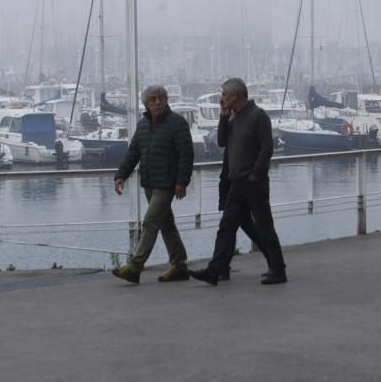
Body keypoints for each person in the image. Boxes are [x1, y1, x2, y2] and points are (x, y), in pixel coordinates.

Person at [190, 78, 287, 285]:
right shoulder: (234, 118)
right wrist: (224, 116)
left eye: (224, 94)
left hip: (253, 183)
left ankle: (278, 269)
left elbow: (266, 149)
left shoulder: (258, 116)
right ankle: (215, 270)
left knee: (264, 226)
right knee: (226, 227)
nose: (221, 98)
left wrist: (255, 175)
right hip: (236, 183)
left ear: (236, 95)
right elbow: (222, 141)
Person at [110, 85, 194, 284]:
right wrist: (121, 175)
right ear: (146, 104)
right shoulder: (143, 125)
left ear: (166, 100)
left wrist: (182, 182)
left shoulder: (177, 123)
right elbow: (133, 152)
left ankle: (134, 267)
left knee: (150, 222)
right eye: (153, 99)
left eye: (161, 98)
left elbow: (186, 154)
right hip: (149, 182)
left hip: (167, 183)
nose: (158, 102)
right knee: (166, 224)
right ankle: (180, 265)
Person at [215, 134, 271, 280]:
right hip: (234, 189)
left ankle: (221, 268)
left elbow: (227, 169)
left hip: (239, 189)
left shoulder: (238, 141)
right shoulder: (232, 140)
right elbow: (226, 169)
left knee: (230, 228)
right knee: (238, 227)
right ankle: (272, 260)